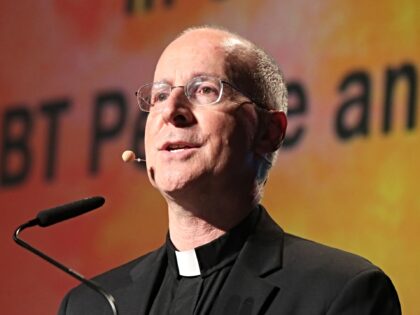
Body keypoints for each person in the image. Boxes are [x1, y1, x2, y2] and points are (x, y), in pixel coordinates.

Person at [58, 26, 401, 314]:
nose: (172, 111)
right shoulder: (90, 305)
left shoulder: (339, 292)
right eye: (160, 95)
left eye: (205, 90)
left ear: (268, 132)